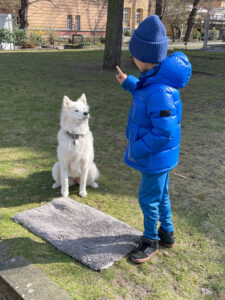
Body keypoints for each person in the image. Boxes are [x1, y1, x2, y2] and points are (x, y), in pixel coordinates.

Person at [115, 15, 192, 264]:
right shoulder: (155, 78)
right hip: (160, 157)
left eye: (134, 55)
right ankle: (167, 233)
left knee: (148, 198)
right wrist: (128, 83)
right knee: (161, 195)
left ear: (144, 58)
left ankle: (150, 240)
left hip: (154, 157)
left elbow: (164, 132)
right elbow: (144, 91)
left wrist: (137, 148)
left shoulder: (160, 91)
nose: (132, 59)